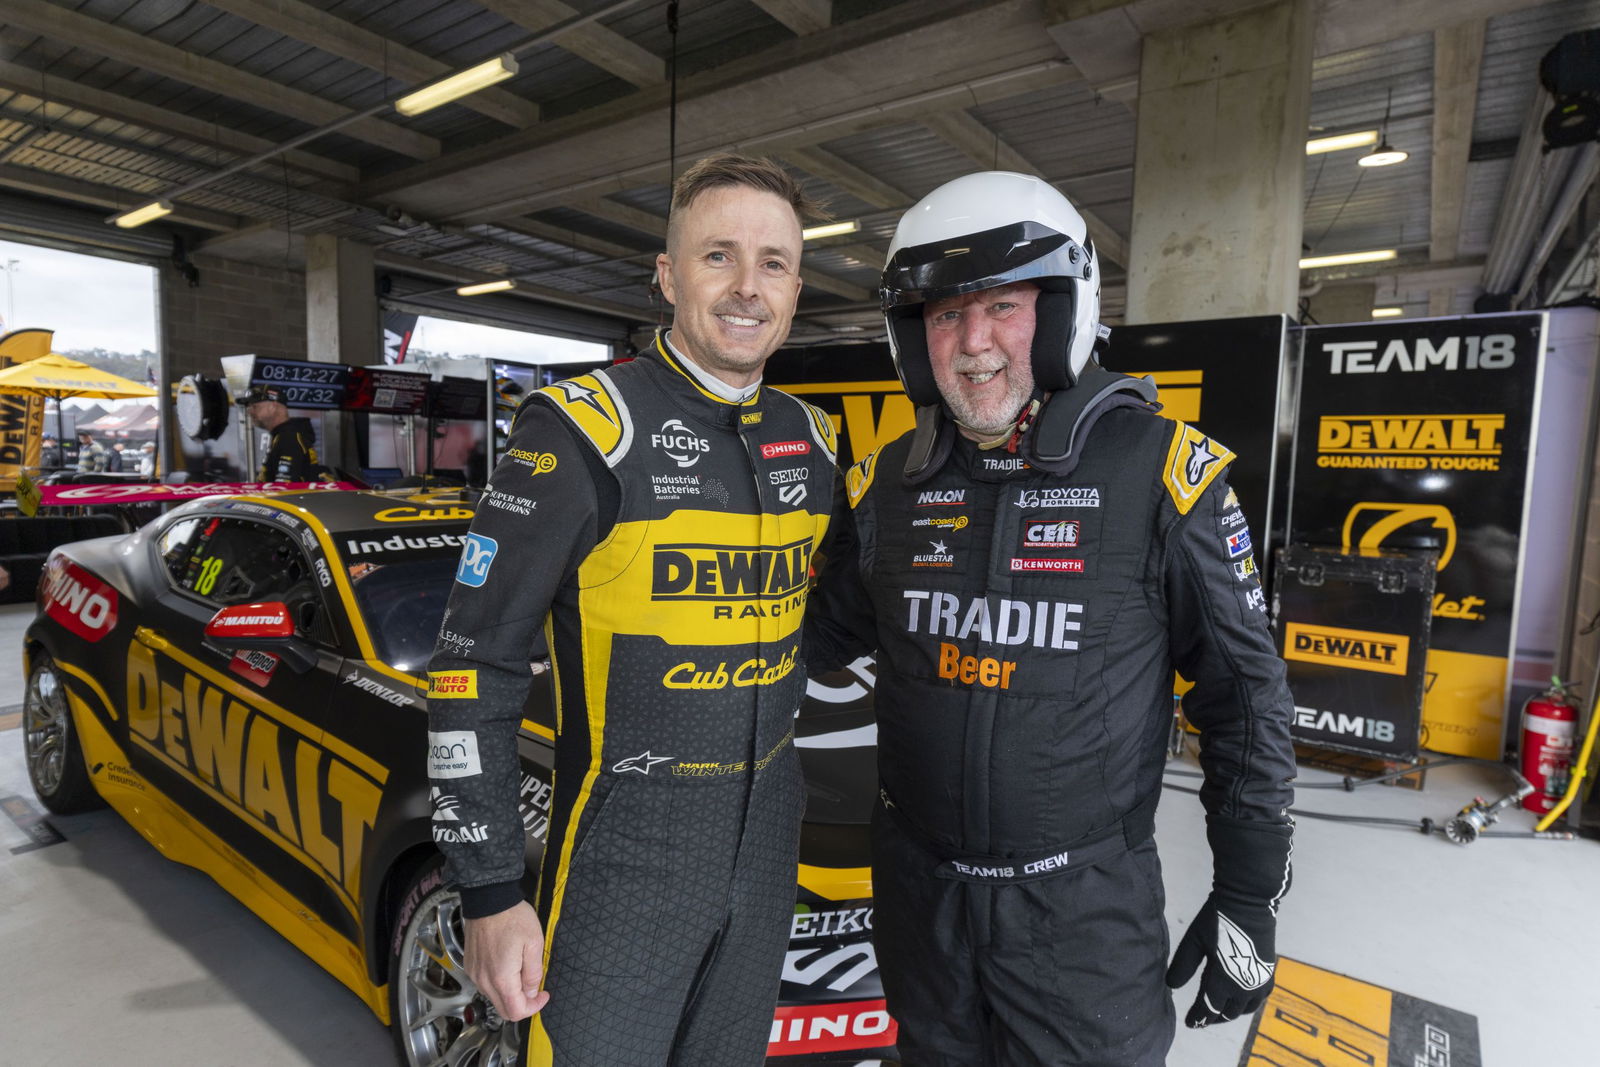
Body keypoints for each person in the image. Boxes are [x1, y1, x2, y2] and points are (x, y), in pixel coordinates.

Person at [805, 171, 1297, 1066]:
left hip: (1081, 917)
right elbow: (813, 635)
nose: (972, 341)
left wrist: (1250, 894)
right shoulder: (883, 484)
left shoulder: (1164, 473)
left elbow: (1246, 698)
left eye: (1001, 306)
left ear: (1066, 314)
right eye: (945, 315)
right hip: (920, 902)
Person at [427, 153, 839, 1064]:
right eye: (717, 256)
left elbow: (841, 617)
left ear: (797, 288)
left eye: (772, 263)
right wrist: (490, 890)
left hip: (769, 838)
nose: (746, 287)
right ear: (667, 276)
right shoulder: (579, 429)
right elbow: (469, 664)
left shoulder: (811, 440)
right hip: (627, 853)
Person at [243, 384, 324, 482]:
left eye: (254, 406)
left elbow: (285, 489)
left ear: (273, 406)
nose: (249, 412)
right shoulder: (284, 435)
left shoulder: (289, 439)